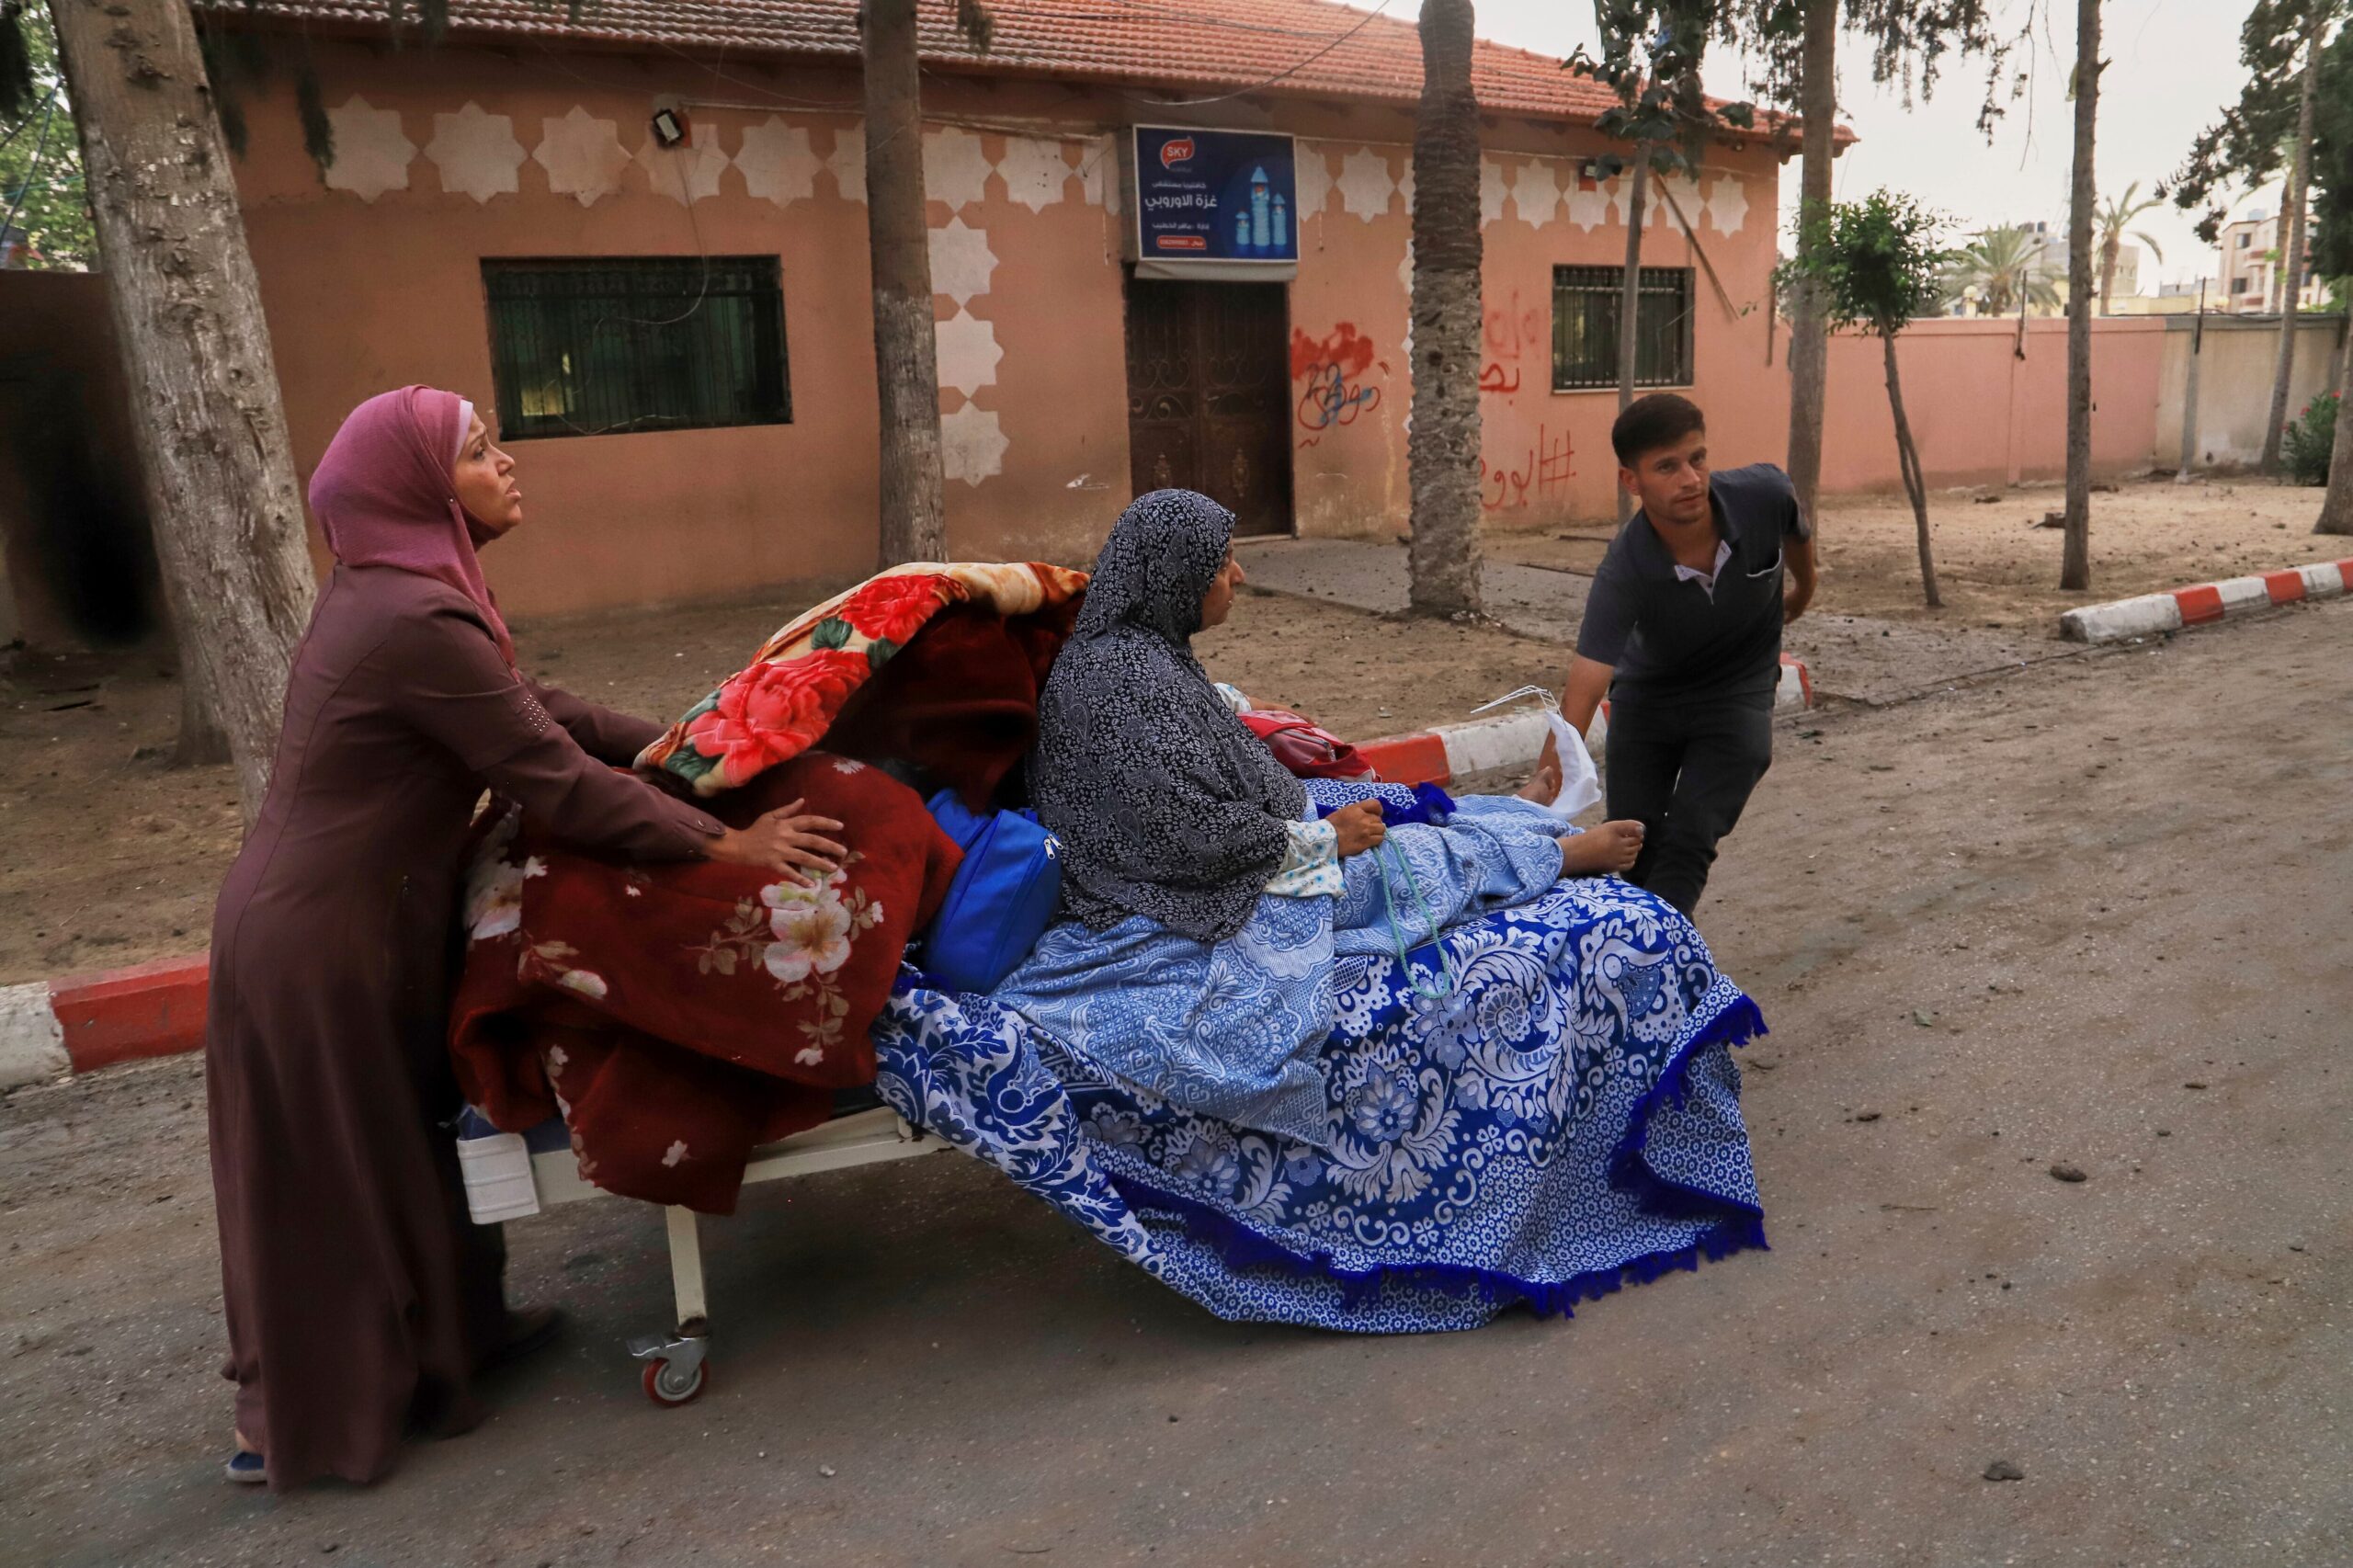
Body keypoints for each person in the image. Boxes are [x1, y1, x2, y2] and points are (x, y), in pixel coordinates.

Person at [868, 488, 1768, 1333]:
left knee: (1399, 818)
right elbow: (1182, 838)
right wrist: (1319, 842)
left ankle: (1524, 819)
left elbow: (1212, 784)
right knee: (1393, 867)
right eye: (1222, 561)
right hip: (1175, 903)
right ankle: (1554, 850)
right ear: (1177, 574)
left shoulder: (1140, 659)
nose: (1237, 574)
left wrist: (1321, 814)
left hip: (1214, 858)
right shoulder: (1121, 683)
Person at [206, 386, 846, 1490]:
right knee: (332, 1173)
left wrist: (701, 746)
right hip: (318, 938)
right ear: (415, 486)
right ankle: (296, 1416)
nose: (505, 463)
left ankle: (455, 1339)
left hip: (369, 919)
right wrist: (722, 839)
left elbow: (543, 708)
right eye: (476, 450)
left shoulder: (417, 592)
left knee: (406, 1142)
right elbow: (548, 770)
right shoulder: (409, 618)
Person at [1551, 392, 1817, 916]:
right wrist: (1547, 781)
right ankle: (1655, 945)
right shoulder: (1626, 566)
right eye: (1667, 467)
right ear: (1632, 481)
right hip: (1649, 699)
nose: (1691, 479)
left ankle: (1654, 953)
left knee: (1691, 834)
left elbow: (1795, 531)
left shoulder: (1762, 495)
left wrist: (1804, 591)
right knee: (1634, 842)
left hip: (1737, 691)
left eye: (1697, 458)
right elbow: (1586, 681)